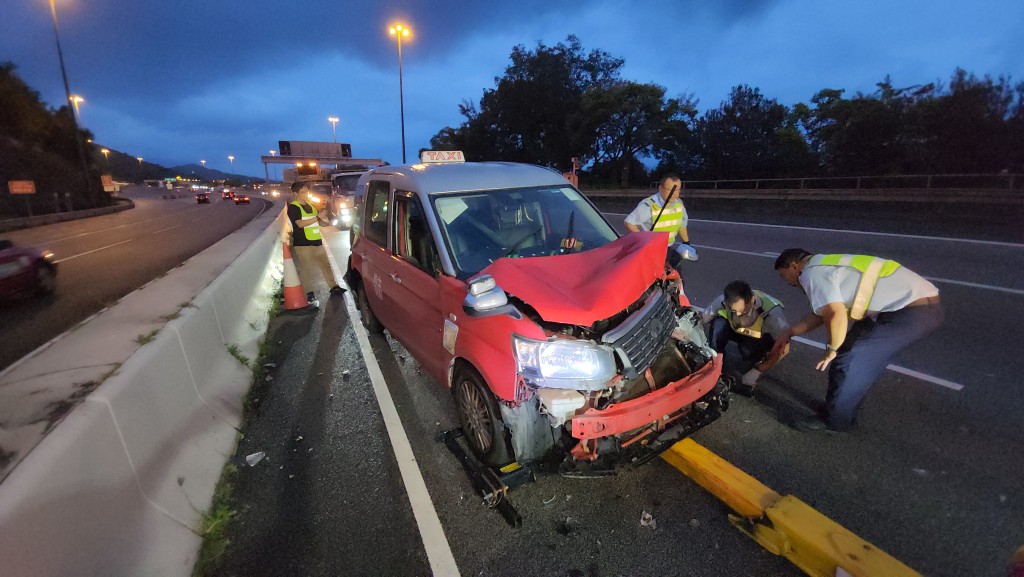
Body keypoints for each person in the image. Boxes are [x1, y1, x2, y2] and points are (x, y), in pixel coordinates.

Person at [771, 248, 944, 432]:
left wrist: (831, 349)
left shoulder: (811, 273)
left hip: (912, 311)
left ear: (793, 265)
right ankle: (837, 409)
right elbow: (821, 314)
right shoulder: (823, 265)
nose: (786, 281)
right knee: (848, 354)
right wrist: (790, 332)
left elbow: (835, 314)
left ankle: (835, 421)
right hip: (903, 308)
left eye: (783, 276)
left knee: (851, 360)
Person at [702, 281, 790, 396]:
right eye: (734, 311)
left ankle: (755, 360)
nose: (737, 315)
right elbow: (702, 319)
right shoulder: (724, 300)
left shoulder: (773, 314)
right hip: (736, 330)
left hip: (759, 338)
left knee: (748, 352)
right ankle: (717, 363)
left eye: (742, 311)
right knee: (718, 325)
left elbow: (785, 349)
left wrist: (759, 370)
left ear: (752, 301)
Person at [288, 181, 346, 303]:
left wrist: (328, 223)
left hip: (317, 241)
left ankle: (334, 287)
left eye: (307, 191)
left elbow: (317, 222)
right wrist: (318, 217)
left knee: (326, 266)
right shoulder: (293, 207)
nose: (306, 194)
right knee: (306, 270)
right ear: (295, 193)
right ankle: (309, 293)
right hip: (303, 244)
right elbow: (300, 224)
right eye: (303, 192)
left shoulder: (310, 205)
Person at [624, 173, 689, 246]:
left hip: (666, 247)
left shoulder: (679, 203)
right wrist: (645, 242)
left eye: (677, 190)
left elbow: (682, 225)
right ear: (660, 188)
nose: (674, 193)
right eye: (669, 190)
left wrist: (686, 243)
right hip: (651, 248)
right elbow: (629, 223)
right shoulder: (649, 204)